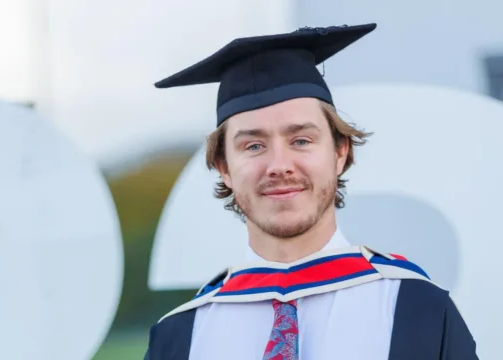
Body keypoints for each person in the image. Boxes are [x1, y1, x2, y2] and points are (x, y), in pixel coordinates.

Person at [143, 23, 479, 360]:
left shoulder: (419, 311)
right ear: (224, 168)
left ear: (339, 152)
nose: (279, 164)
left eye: (301, 140)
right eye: (254, 145)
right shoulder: (179, 337)